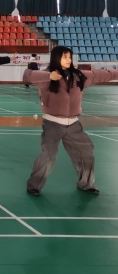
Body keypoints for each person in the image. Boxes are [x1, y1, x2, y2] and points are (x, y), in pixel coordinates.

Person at [23, 46, 118, 196]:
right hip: (52, 124)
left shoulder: (79, 76)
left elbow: (103, 74)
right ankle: (34, 185)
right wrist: (49, 76)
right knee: (48, 156)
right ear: (56, 58)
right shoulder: (47, 76)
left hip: (74, 124)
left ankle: (86, 184)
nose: (68, 60)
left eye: (69, 57)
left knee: (86, 153)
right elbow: (27, 76)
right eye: (65, 57)